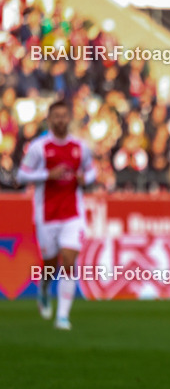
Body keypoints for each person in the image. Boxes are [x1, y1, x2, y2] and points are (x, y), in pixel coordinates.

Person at [16, 99, 95, 331]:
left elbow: (91, 170)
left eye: (64, 115)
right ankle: (43, 287)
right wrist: (47, 175)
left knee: (69, 261)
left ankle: (62, 316)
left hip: (73, 213)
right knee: (50, 264)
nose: (61, 120)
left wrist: (85, 180)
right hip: (46, 214)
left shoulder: (81, 147)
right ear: (49, 119)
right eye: (56, 116)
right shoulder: (39, 147)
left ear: (69, 118)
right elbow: (21, 175)